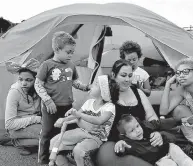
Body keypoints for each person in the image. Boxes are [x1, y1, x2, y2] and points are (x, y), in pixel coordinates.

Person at [95, 59, 165, 166]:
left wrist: (155, 133)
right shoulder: (106, 95)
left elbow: (151, 117)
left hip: (140, 140)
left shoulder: (137, 92)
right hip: (114, 142)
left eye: (130, 75)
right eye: (123, 75)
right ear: (113, 75)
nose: (127, 79)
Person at [34, 31, 89, 165]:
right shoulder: (47, 65)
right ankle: (43, 160)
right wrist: (48, 101)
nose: (71, 55)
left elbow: (75, 82)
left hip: (67, 106)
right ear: (57, 49)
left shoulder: (71, 65)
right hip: (50, 106)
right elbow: (37, 84)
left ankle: (61, 156)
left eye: (72, 52)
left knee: (65, 132)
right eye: (68, 52)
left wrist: (86, 87)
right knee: (47, 132)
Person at [49, 75, 119, 166]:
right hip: (81, 131)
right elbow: (75, 116)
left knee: (79, 150)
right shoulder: (89, 102)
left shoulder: (109, 107)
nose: (91, 86)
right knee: (54, 141)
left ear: (104, 92)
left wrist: (79, 115)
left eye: (95, 84)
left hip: (96, 138)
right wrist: (63, 119)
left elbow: (99, 121)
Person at [115, 114, 193, 166]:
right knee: (170, 164)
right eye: (132, 130)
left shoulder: (145, 126)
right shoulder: (128, 143)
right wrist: (120, 146)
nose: (138, 130)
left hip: (168, 148)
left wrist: (181, 120)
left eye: (137, 126)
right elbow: (121, 152)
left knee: (184, 159)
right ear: (125, 135)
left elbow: (161, 123)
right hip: (159, 160)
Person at [5, 58, 42, 156]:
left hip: (34, 123)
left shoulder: (39, 89)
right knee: (47, 136)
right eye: (20, 79)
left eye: (28, 80)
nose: (23, 83)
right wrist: (36, 119)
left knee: (55, 133)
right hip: (17, 127)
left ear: (36, 80)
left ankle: (19, 140)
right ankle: (17, 142)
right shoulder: (14, 92)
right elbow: (9, 124)